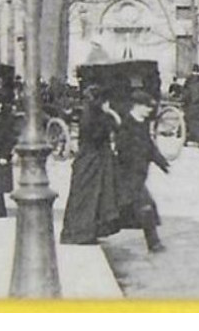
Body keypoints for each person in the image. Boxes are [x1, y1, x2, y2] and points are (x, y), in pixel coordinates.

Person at [61, 86, 122, 244]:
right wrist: (110, 113)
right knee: (91, 196)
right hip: (93, 160)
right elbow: (111, 130)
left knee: (86, 196)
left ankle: (80, 232)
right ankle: (82, 233)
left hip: (87, 159)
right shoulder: (97, 117)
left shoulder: (88, 114)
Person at [113, 92, 172, 252]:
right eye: (147, 107)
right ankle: (154, 243)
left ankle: (153, 242)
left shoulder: (142, 123)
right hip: (129, 174)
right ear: (137, 106)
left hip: (139, 174)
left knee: (134, 207)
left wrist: (163, 164)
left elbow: (150, 146)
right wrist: (134, 162)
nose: (149, 111)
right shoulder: (126, 125)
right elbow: (122, 149)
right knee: (145, 206)